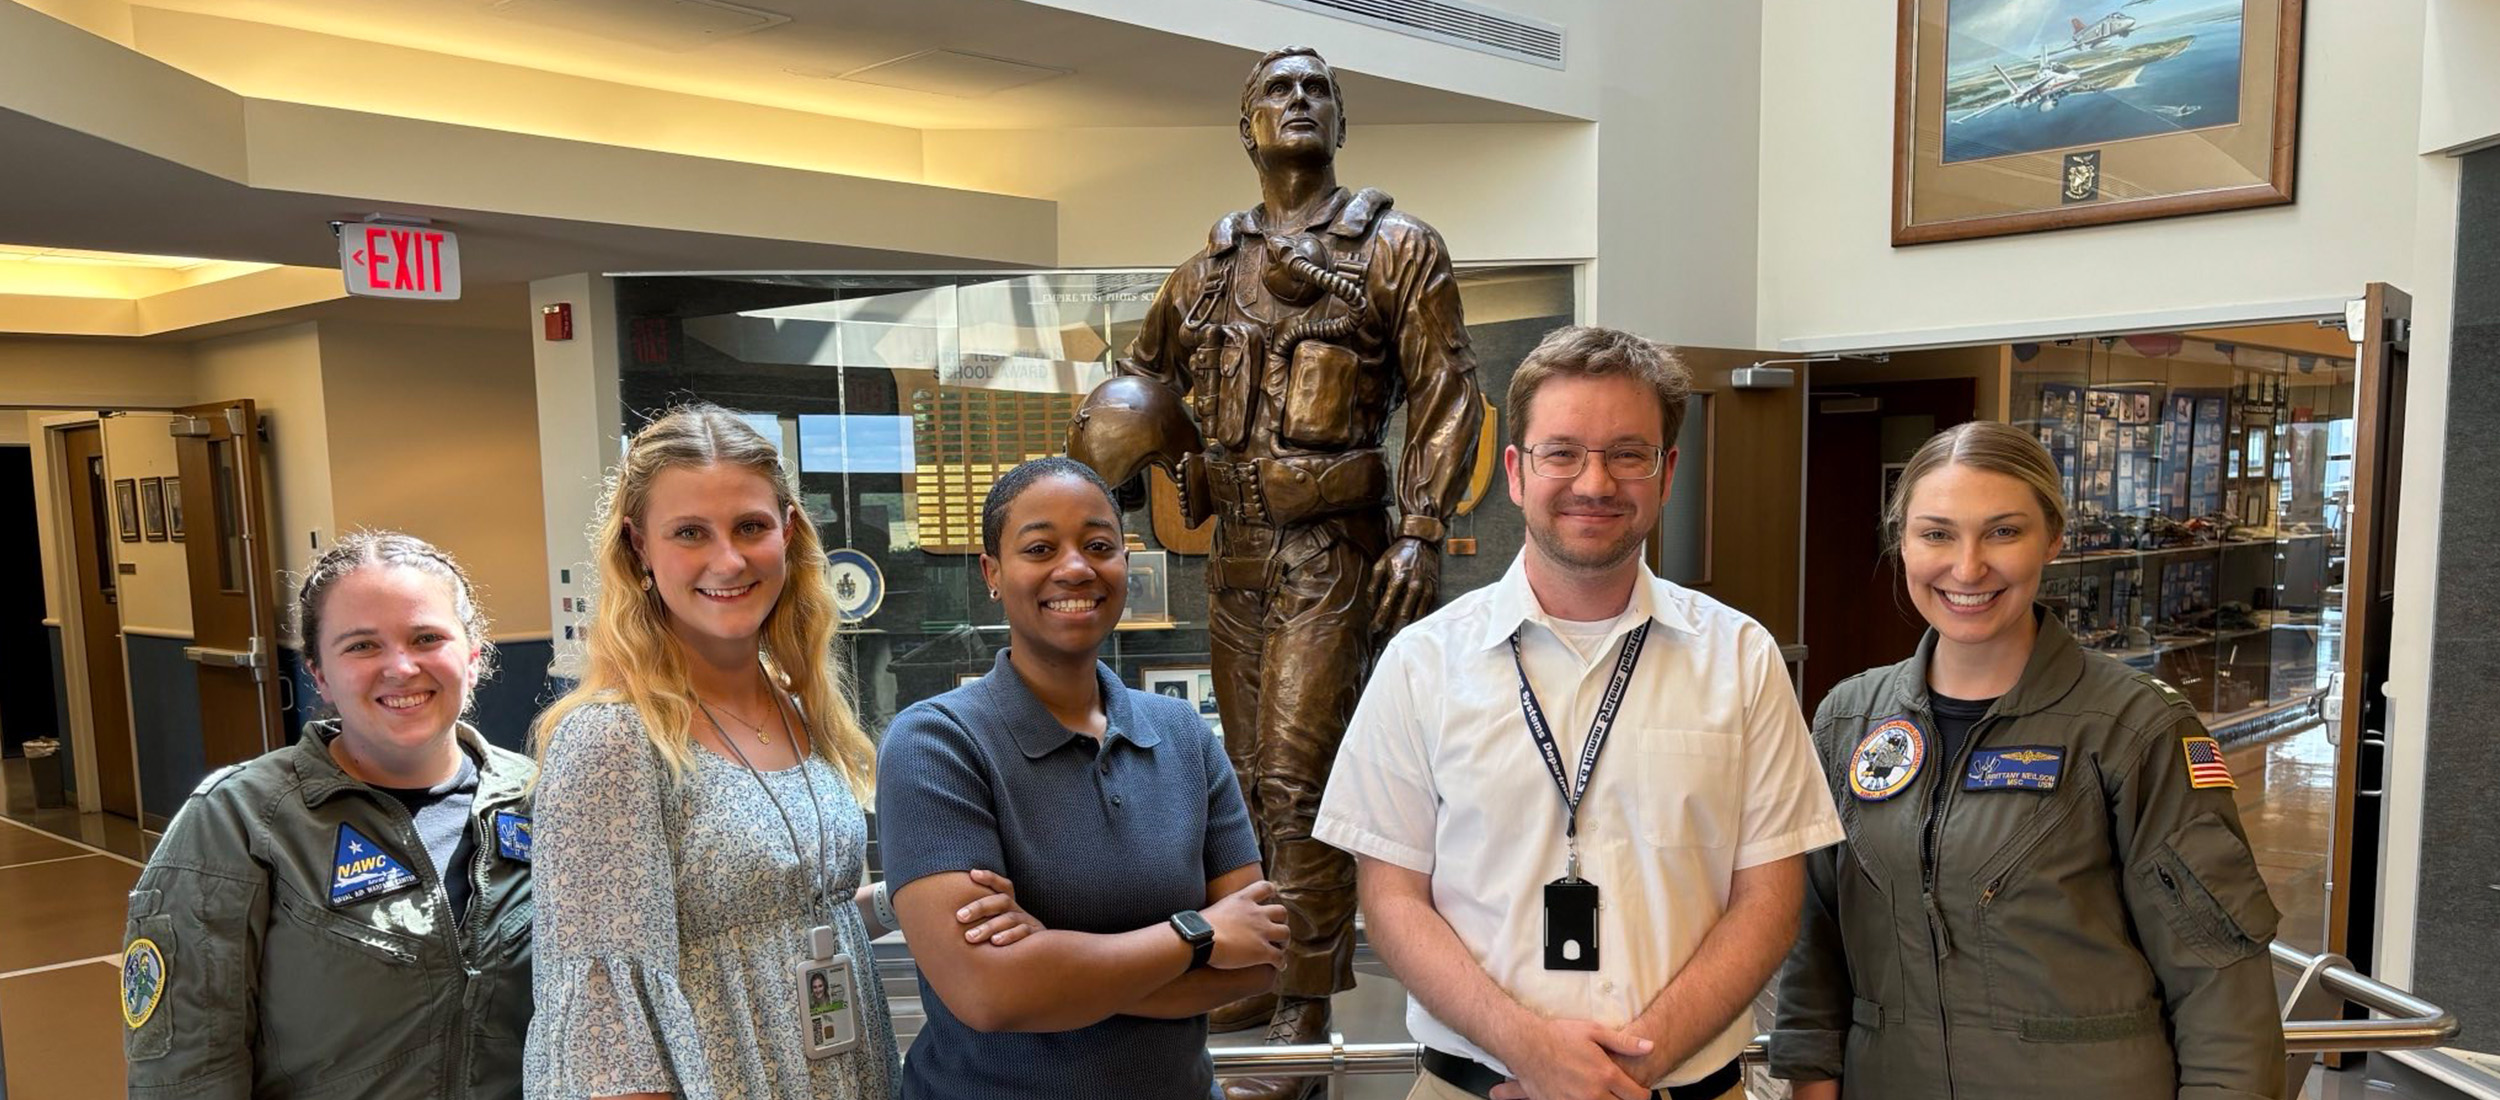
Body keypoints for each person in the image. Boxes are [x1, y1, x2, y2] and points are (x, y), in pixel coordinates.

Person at [1071, 46, 1485, 1097]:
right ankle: (1259, 964)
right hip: (1238, 556)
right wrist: (1156, 458)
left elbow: (1446, 391)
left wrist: (1420, 527)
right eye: (1278, 91)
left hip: (1330, 548)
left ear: (1340, 121)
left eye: (1318, 91)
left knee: (1304, 773)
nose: (1299, 102)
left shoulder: (1395, 247)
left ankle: (1304, 998)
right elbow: (1139, 379)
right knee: (1247, 775)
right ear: (1246, 126)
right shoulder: (1204, 271)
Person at [1316, 326, 1845, 1100]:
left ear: (1666, 473)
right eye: (1561, 452)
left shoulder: (1742, 658)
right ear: (1516, 472)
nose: (1594, 482)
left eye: (1628, 454)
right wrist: (1531, 1050)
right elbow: (1393, 899)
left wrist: (1620, 1075)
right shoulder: (1421, 664)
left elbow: (1768, 902)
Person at [523, 404, 1034, 1100]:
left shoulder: (797, 706)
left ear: (788, 533)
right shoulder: (613, 740)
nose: (728, 560)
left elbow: (784, 918)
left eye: (750, 527)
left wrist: (915, 899)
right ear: (639, 546)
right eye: (690, 533)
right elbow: (605, 1035)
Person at [1770, 421, 2284, 1100]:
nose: (1967, 567)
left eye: (2004, 532)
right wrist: (1812, 1080)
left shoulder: (2133, 728)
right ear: (1902, 542)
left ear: (2053, 538)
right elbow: (1817, 944)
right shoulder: (1849, 720)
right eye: (1937, 534)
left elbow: (2219, 983)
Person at [875, 457, 1291, 1100]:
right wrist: (1198, 935)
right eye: (1040, 548)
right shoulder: (937, 742)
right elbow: (988, 992)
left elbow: (1259, 959)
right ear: (992, 573)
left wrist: (1054, 968)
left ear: (1125, 561)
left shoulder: (1182, 734)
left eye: (1099, 546)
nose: (1075, 568)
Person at [120, 531, 535, 1098]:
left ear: (472, 655)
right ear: (318, 673)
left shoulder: (540, 797)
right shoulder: (239, 820)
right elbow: (185, 1071)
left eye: (427, 637)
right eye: (362, 646)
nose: (401, 667)